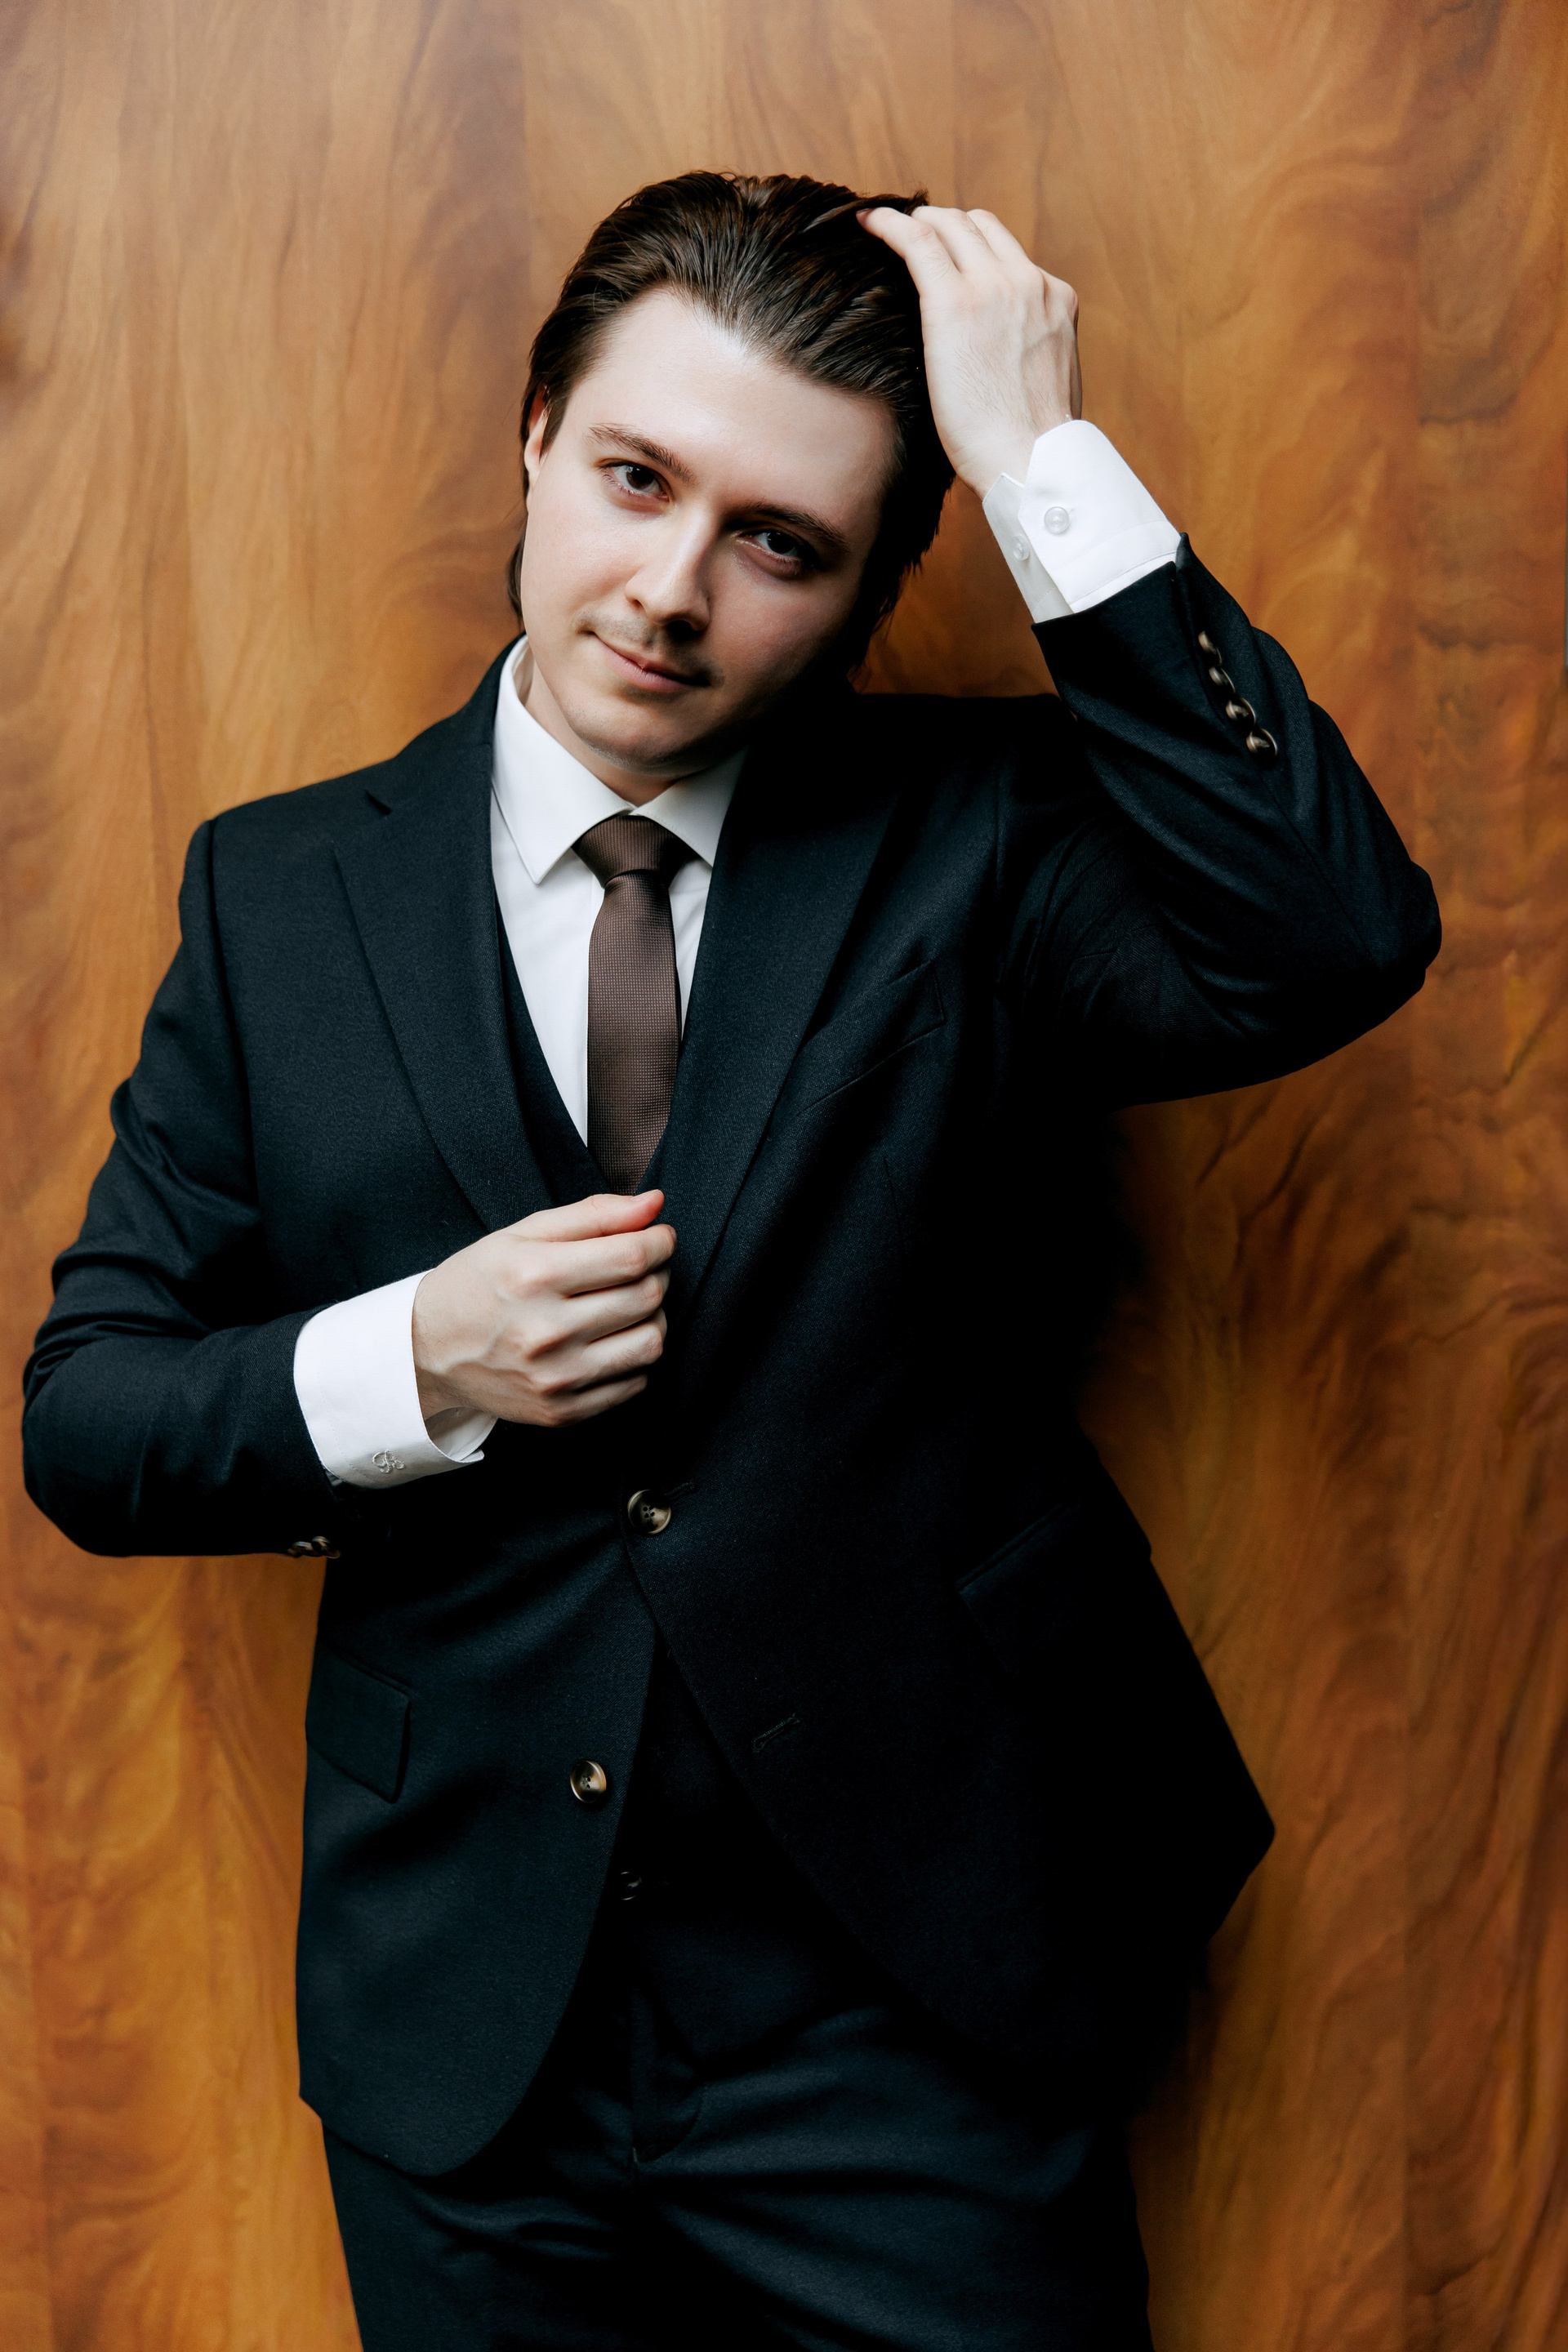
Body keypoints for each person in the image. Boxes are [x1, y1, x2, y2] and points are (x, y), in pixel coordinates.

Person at [23, 172, 1440, 2350]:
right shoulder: (275, 893)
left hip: (919, 1995)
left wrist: (1042, 459)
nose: (670, 591)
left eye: (779, 542)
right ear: (534, 436)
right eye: (633, 478)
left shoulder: (980, 839)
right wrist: (421, 1362)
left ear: (873, 588)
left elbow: (1329, 937)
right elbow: (93, 1421)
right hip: (470, 2021)